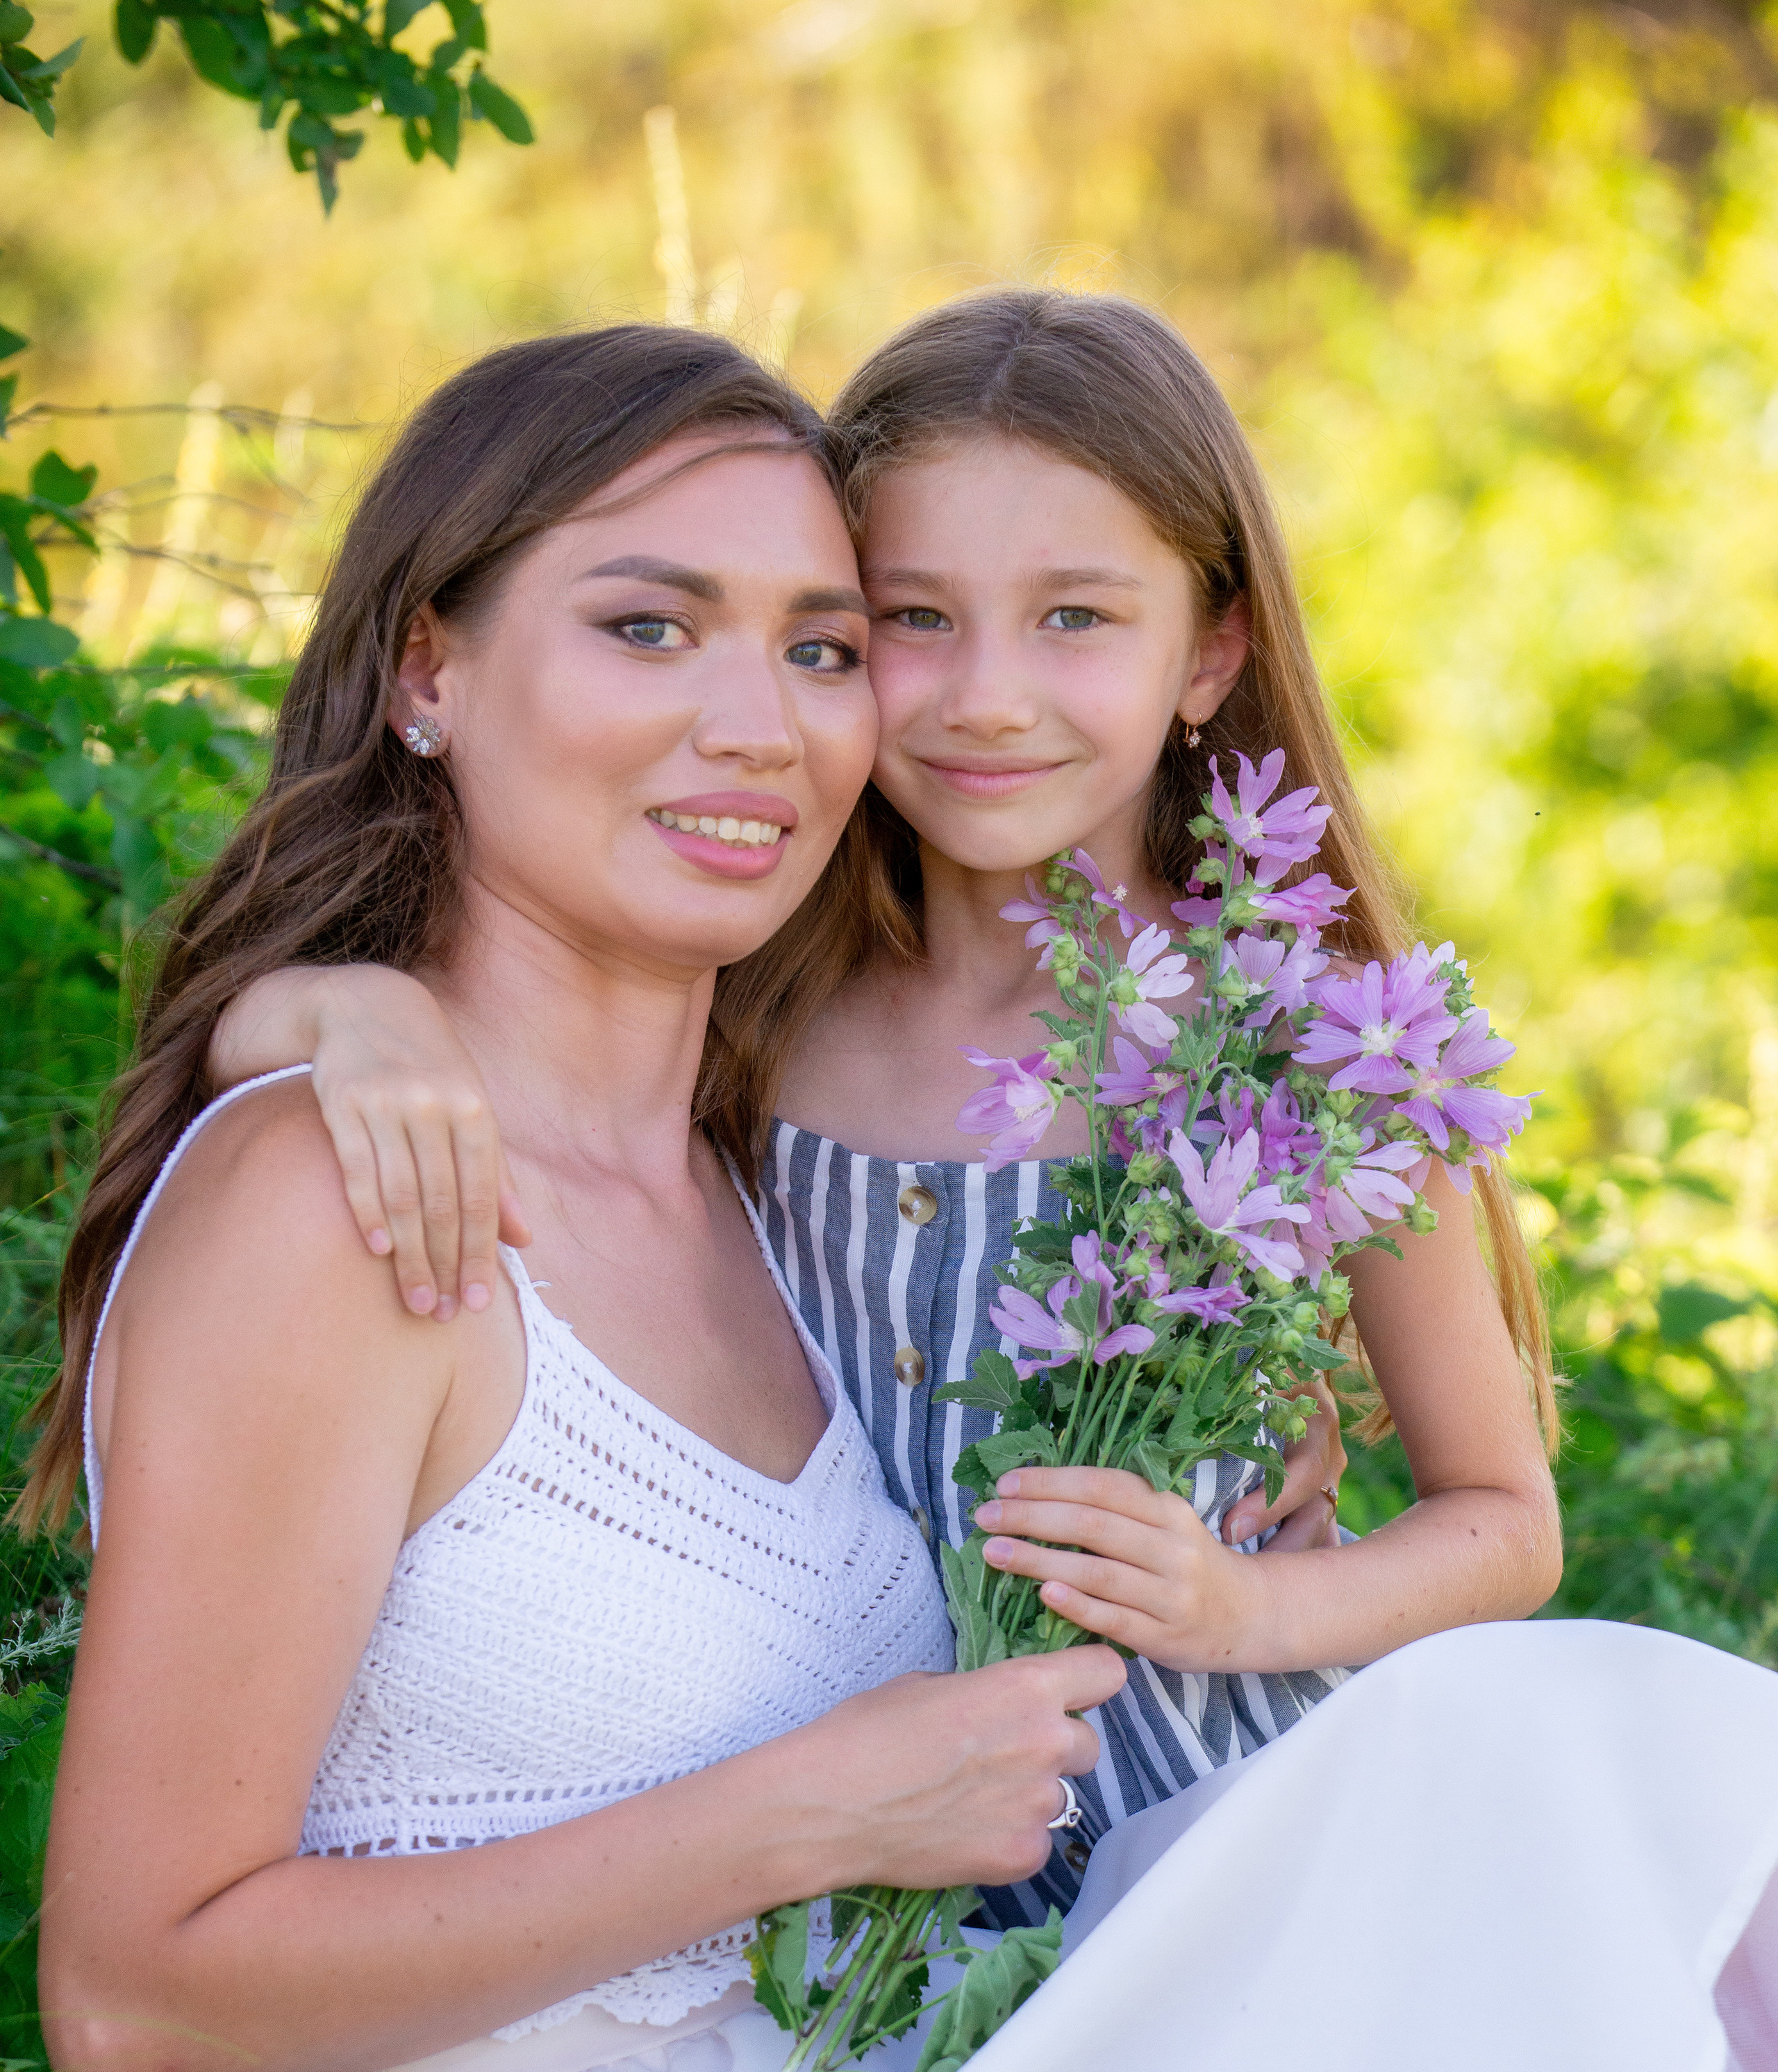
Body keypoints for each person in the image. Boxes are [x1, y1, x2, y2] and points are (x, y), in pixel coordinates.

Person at [24, 313, 1778, 2072]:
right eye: (653, 624)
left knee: (1573, 1939)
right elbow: (130, 2008)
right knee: (1553, 1810)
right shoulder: (383, 1195)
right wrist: (815, 1811)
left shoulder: (719, 1161)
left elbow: (1475, 1496)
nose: (778, 717)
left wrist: (319, 993)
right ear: (422, 669)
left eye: (816, 642)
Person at [207, 292, 1556, 1926]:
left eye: (1075, 618)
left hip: (1225, 1860)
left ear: (1208, 652)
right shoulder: (758, 997)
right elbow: (501, 1069)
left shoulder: (1296, 1054)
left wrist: (1233, 1609)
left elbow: (1501, 1523)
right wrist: (335, 1006)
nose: (986, 696)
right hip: (860, 1893)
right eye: (910, 620)